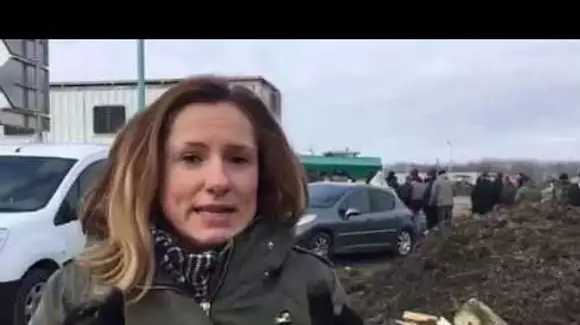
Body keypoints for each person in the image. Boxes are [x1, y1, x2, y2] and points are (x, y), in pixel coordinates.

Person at [30, 76, 362, 325]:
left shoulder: (311, 284)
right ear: (153, 171)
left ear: (263, 173)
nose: (218, 181)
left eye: (238, 159)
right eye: (191, 158)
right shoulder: (80, 292)